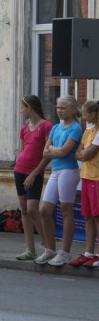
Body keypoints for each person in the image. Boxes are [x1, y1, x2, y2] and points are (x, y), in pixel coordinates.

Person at [35, 95, 83, 266]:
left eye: (63, 108)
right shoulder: (56, 128)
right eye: (57, 108)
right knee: (45, 211)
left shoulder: (76, 128)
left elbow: (64, 152)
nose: (59, 111)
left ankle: (65, 252)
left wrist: (54, 149)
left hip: (68, 171)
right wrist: (56, 150)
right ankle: (50, 249)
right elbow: (45, 153)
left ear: (72, 109)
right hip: (55, 171)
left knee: (66, 209)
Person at [13, 95, 52, 261]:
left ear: (30, 108)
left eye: (23, 107)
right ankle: (30, 248)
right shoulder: (25, 128)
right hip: (19, 170)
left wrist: (35, 173)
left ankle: (48, 246)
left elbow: (48, 154)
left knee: (32, 209)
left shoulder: (46, 126)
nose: (21, 111)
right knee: (24, 208)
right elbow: (24, 150)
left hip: (34, 172)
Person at [71, 100, 99, 267]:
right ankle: (89, 252)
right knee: (88, 216)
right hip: (87, 177)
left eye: (85, 113)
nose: (84, 116)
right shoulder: (89, 131)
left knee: (97, 216)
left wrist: (83, 153)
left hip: (97, 177)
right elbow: (78, 153)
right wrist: (82, 153)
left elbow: (87, 154)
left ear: (94, 114)